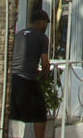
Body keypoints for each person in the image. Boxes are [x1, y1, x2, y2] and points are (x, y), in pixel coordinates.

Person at [11, 8, 52, 138]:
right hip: (27, 79)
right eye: (46, 23)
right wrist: (44, 75)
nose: (46, 26)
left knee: (13, 114)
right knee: (40, 115)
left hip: (12, 79)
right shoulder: (42, 37)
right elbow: (45, 62)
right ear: (41, 23)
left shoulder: (18, 34)